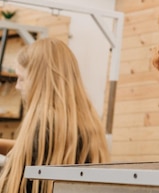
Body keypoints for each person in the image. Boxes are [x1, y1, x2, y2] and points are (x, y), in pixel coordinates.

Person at [0, 38, 109, 193]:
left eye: (22, 78)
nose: (17, 86)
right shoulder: (84, 122)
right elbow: (36, 149)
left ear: (39, 79)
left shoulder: (45, 123)